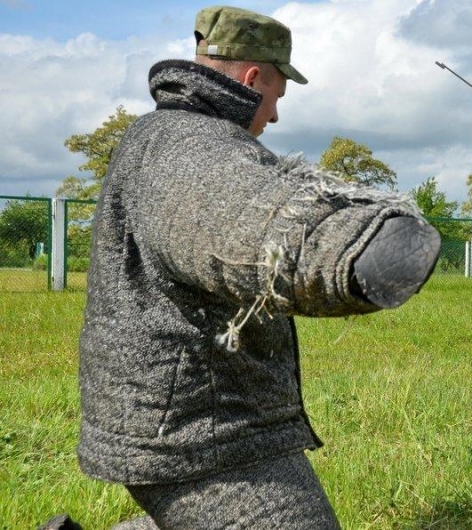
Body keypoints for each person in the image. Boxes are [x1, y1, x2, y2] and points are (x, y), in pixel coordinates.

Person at [73, 6, 440, 529]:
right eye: (276, 97)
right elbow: (248, 220)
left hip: (190, 416)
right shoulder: (186, 148)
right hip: (203, 437)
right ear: (253, 78)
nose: (273, 116)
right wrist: (358, 246)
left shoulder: (167, 138)